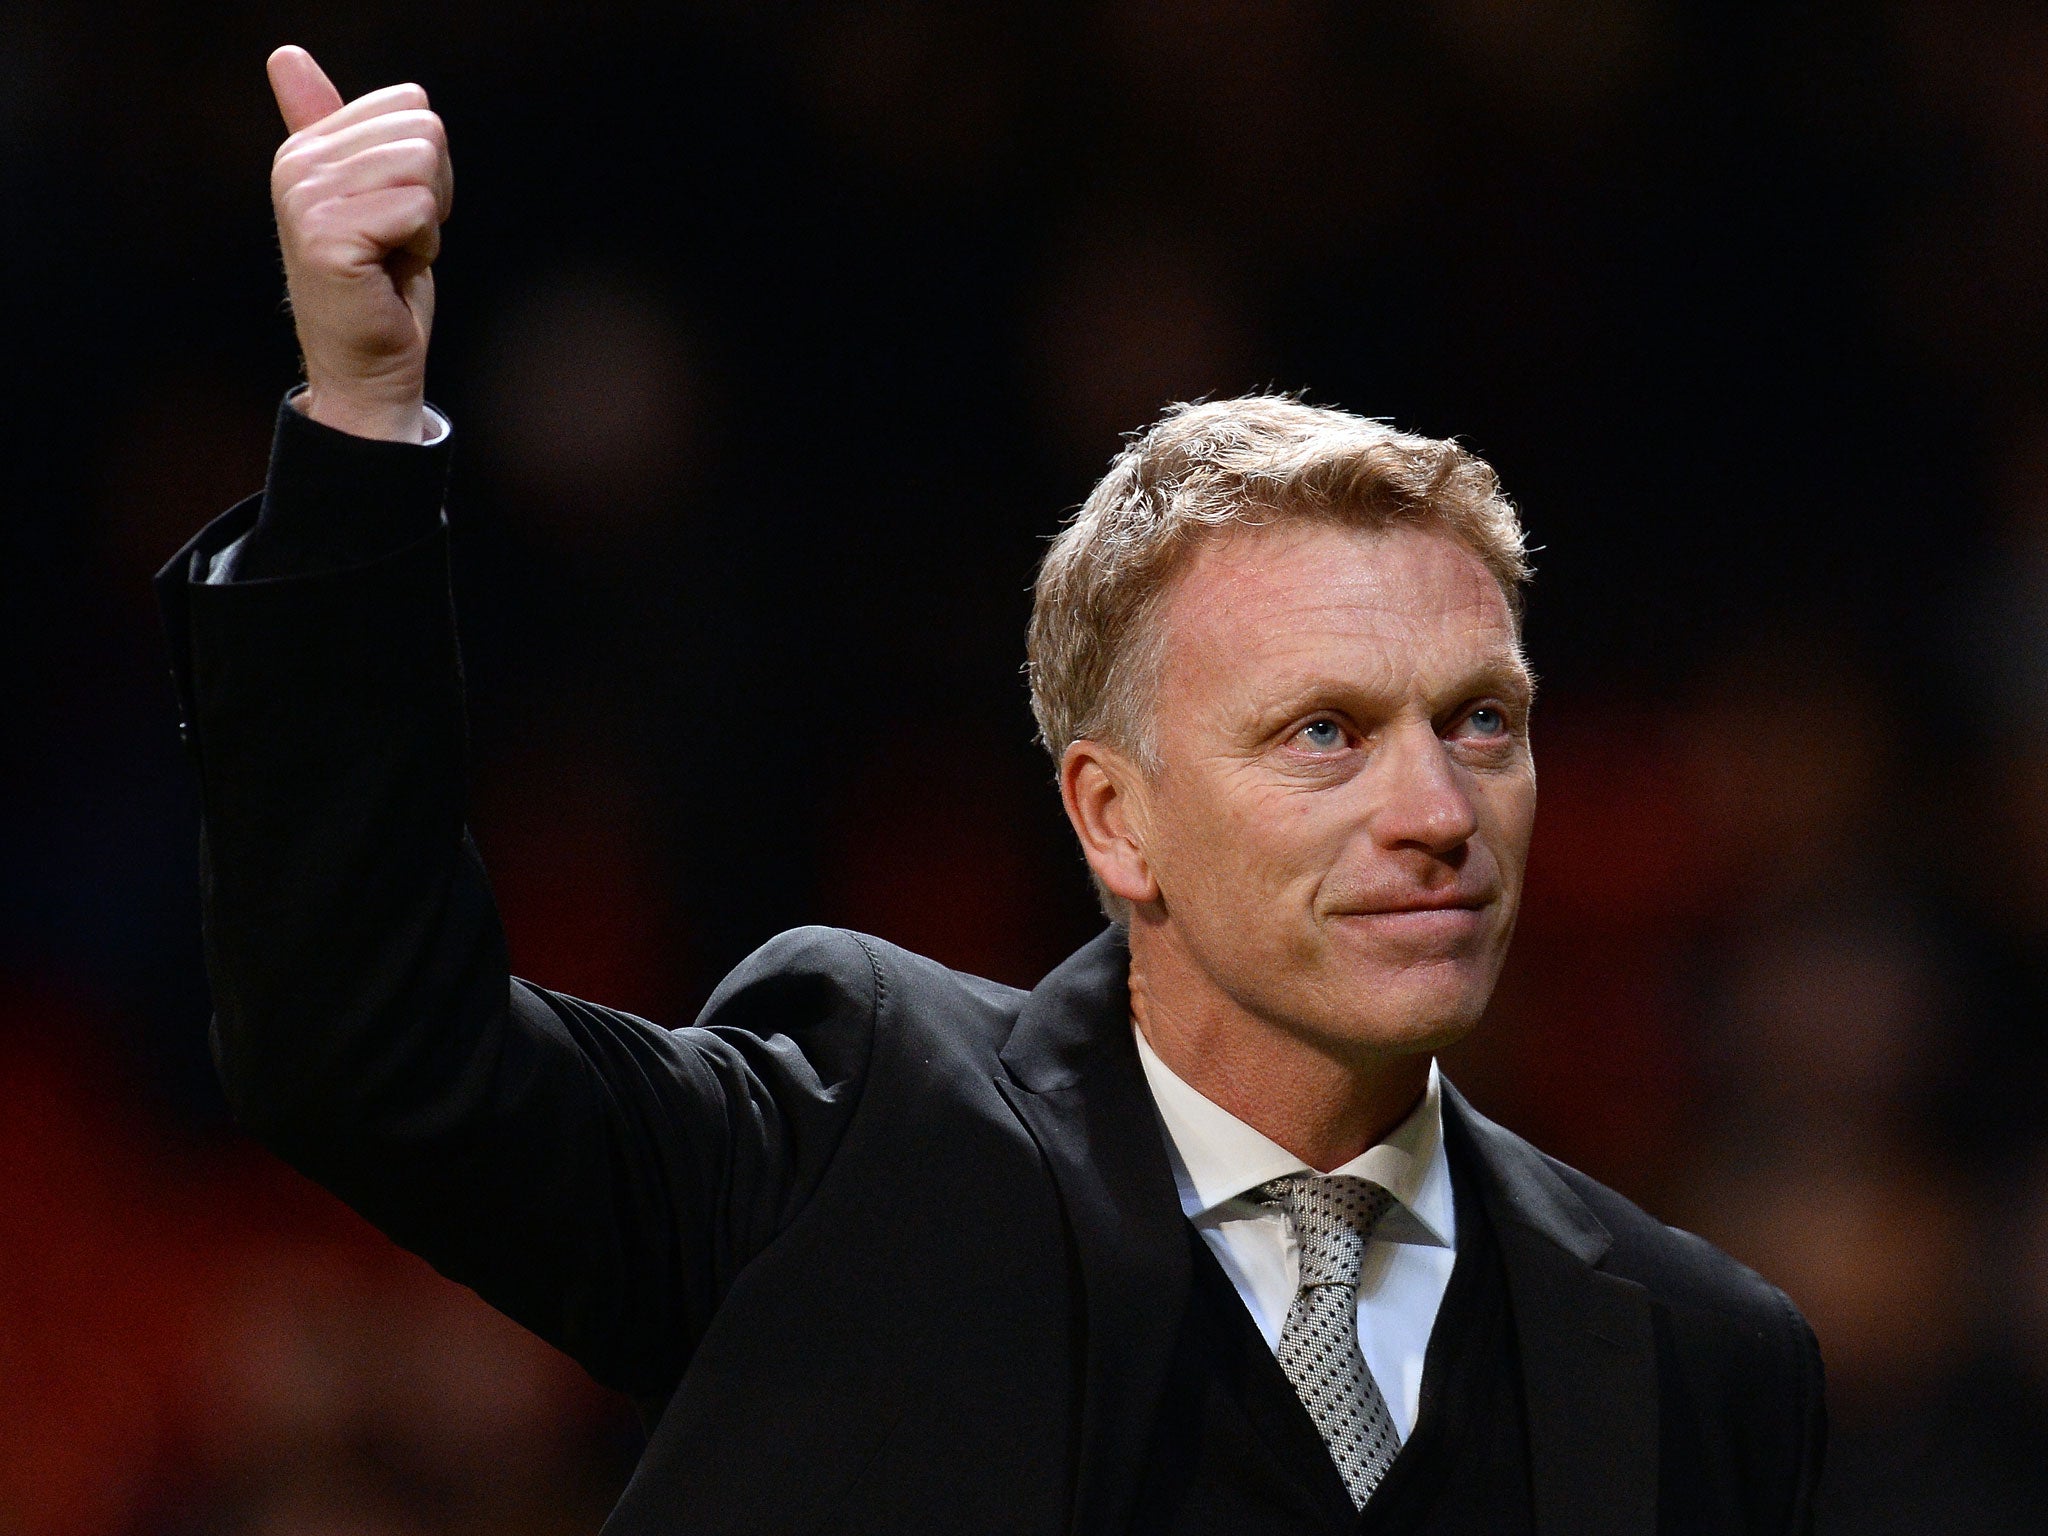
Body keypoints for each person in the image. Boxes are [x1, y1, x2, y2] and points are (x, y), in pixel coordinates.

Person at [157, 46, 1825, 1535]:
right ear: (1115, 817)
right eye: (1324, 733)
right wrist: (363, 419)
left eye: (1479, 723)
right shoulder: (860, 1138)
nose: (1439, 812)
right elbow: (366, 1055)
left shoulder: (1698, 1360)